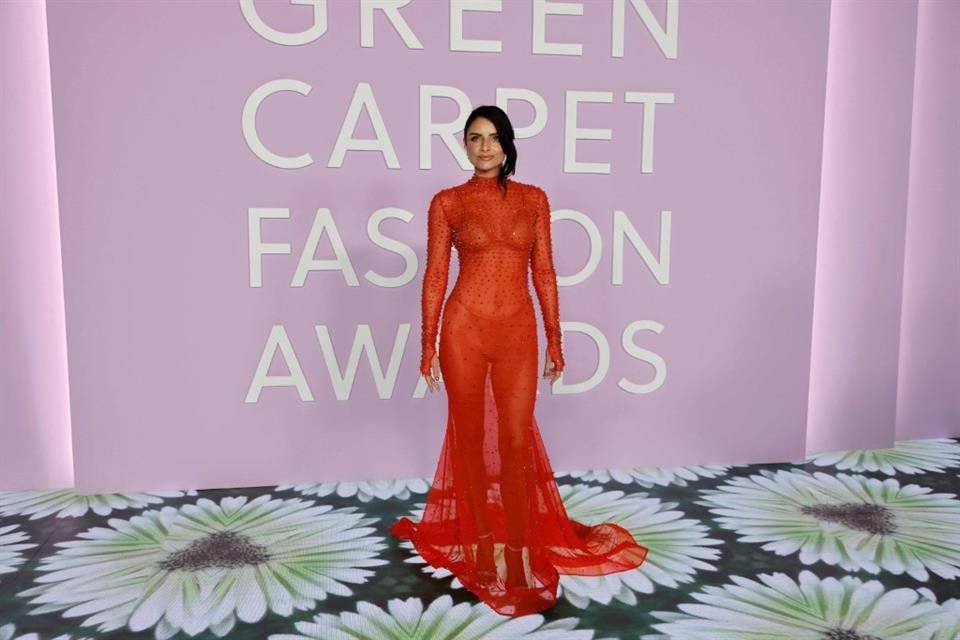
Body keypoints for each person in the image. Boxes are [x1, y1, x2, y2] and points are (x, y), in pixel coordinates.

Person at [390, 105, 648, 616]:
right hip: (463, 329)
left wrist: (556, 338)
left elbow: (545, 272)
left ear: (507, 144)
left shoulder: (533, 200)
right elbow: (436, 277)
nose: (483, 147)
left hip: (516, 331)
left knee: (513, 441)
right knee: (468, 440)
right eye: (473, 138)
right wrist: (427, 346)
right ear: (464, 146)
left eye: (492, 138)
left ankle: (518, 553)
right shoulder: (447, 202)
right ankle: (481, 552)